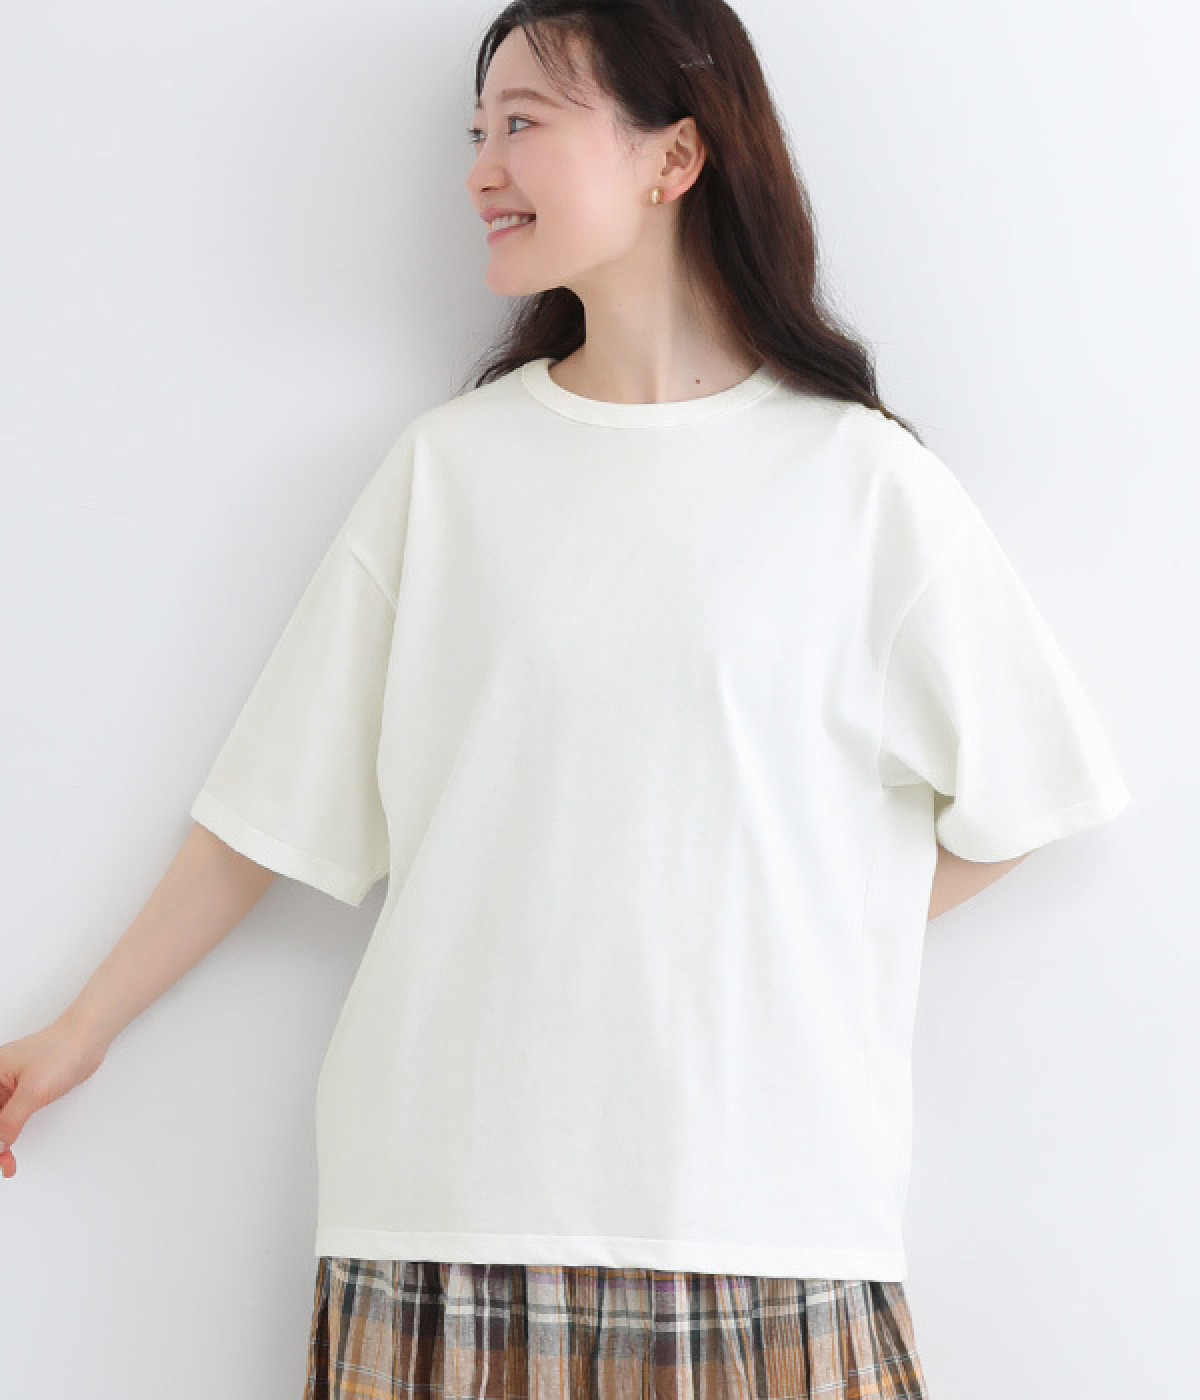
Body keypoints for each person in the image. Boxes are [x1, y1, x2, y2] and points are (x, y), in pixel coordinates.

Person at [0, 2, 1133, 1397]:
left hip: (758, 1217)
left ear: (675, 158)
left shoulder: (863, 487)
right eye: (476, 132)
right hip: (447, 1214)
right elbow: (266, 813)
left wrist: (785, 934)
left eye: (523, 123)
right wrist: (78, 1030)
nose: (482, 167)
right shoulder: (449, 473)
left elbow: (1030, 797)